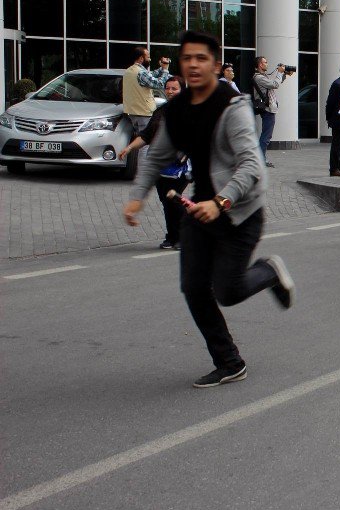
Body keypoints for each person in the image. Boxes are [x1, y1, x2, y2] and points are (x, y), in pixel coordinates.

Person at [123, 31, 294, 389]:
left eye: (202, 58)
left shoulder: (233, 108)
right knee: (194, 287)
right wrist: (137, 197)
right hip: (200, 207)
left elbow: (251, 165)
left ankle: (268, 272)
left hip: (239, 211)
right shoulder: (178, 109)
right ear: (181, 65)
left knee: (227, 292)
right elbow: (156, 155)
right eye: (187, 59)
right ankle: (229, 362)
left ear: (216, 65)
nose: (194, 65)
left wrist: (221, 202)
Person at [119, 76, 188, 250]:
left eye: (175, 88)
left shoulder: (189, 111)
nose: (170, 92)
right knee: (166, 201)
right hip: (160, 166)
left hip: (181, 166)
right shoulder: (161, 111)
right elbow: (146, 135)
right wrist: (128, 148)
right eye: (168, 88)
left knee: (174, 200)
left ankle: (185, 236)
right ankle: (172, 237)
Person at [123, 46, 171, 136]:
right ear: (141, 58)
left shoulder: (129, 71)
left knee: (138, 139)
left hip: (133, 112)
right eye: (148, 57)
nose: (150, 59)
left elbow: (150, 75)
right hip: (144, 113)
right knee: (145, 142)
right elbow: (159, 84)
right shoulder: (141, 73)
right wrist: (165, 70)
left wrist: (162, 68)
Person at [252, 56, 288, 168]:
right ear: (260, 65)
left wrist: (284, 74)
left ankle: (261, 158)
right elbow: (274, 85)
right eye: (265, 62)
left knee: (266, 135)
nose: (267, 64)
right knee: (266, 136)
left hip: (269, 109)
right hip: (267, 110)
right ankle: (260, 160)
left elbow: (275, 83)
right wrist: (279, 73)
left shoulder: (263, 76)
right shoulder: (258, 77)